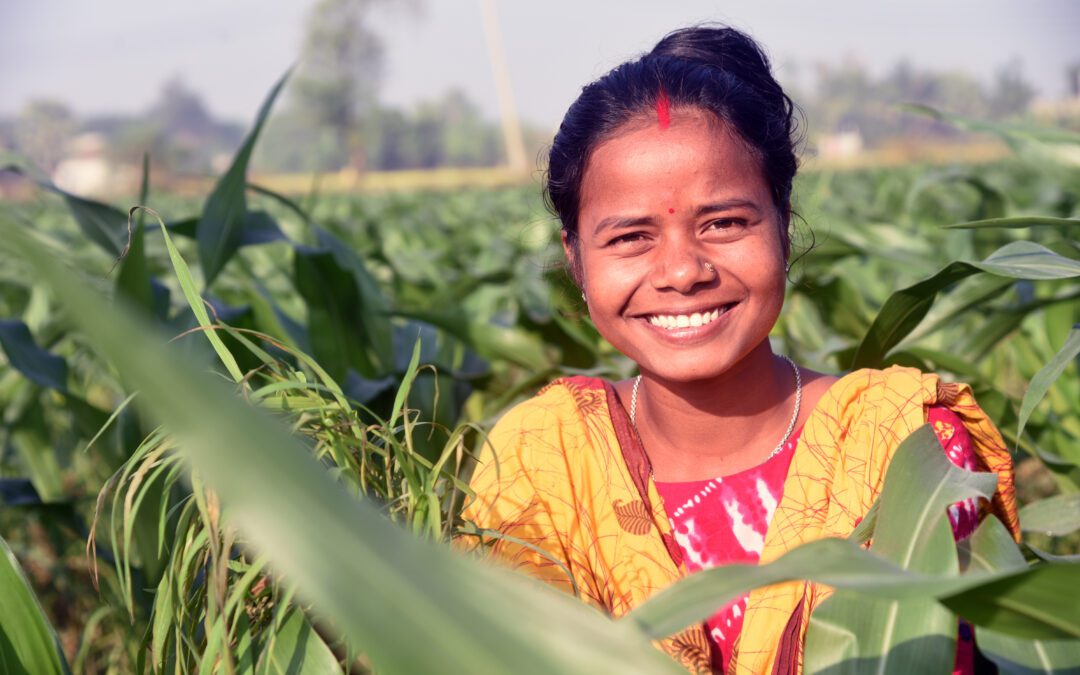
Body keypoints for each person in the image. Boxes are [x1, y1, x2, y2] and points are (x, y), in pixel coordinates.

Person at [459, 25, 1017, 675]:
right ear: (575, 258)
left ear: (783, 222)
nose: (682, 270)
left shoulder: (904, 449)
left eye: (723, 223)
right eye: (631, 237)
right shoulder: (538, 460)